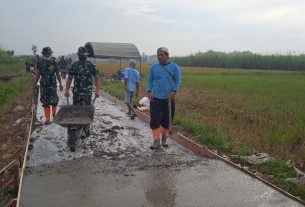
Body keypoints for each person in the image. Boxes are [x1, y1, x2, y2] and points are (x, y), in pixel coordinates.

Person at [146, 47, 181, 149]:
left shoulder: (174, 67)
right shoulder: (154, 67)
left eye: (162, 55)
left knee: (166, 121)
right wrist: (149, 91)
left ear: (167, 55)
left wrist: (174, 91)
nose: (159, 57)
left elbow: (178, 81)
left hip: (168, 99)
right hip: (155, 97)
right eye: (158, 55)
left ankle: (164, 139)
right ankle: (156, 141)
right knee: (155, 120)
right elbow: (149, 80)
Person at [64, 46, 100, 137]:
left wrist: (97, 91)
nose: (82, 56)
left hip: (87, 92)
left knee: (86, 110)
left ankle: (85, 127)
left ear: (86, 55)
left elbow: (97, 78)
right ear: (78, 55)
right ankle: (76, 127)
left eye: (83, 54)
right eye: (80, 54)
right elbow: (69, 78)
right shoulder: (75, 65)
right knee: (76, 110)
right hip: (77, 91)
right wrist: (67, 90)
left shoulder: (91, 66)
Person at [33, 46, 63, 124]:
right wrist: (35, 83)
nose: (47, 55)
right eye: (46, 53)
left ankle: (54, 115)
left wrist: (60, 83)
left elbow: (58, 74)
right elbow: (38, 74)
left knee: (54, 100)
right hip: (44, 85)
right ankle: (47, 118)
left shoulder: (54, 62)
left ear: (50, 53)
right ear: (43, 54)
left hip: (52, 84)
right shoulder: (40, 62)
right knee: (45, 101)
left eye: (48, 53)